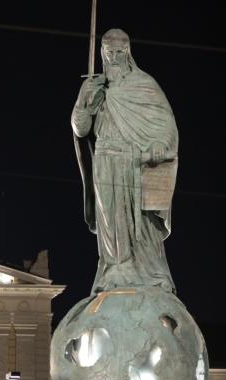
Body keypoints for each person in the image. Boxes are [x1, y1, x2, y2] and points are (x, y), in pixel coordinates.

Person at [71, 28, 178, 294]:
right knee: (110, 219)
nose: (115, 58)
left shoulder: (144, 84)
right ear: (102, 54)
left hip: (135, 163)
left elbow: (166, 125)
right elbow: (81, 129)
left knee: (140, 223)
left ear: (128, 53)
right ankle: (114, 270)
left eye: (120, 52)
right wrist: (84, 101)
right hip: (105, 160)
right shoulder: (95, 87)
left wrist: (158, 144)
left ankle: (151, 272)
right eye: (110, 53)